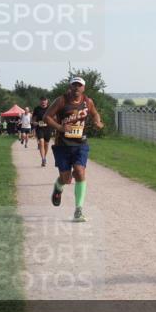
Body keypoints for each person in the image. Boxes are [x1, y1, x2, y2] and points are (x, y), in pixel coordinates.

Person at [43, 77, 104, 222]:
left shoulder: (88, 102)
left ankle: (78, 210)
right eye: (74, 85)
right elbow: (47, 117)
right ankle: (58, 187)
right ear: (70, 86)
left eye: (79, 85)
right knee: (66, 178)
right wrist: (60, 128)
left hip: (80, 143)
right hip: (62, 144)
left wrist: (97, 121)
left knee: (79, 171)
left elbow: (94, 113)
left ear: (84, 88)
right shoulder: (61, 101)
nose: (77, 87)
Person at [32, 97, 53, 167]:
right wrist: (35, 123)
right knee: (41, 142)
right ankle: (43, 159)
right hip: (39, 128)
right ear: (40, 102)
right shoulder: (37, 109)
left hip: (48, 128)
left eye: (45, 101)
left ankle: (44, 157)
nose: (43, 102)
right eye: (42, 101)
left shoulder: (50, 108)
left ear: (47, 101)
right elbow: (33, 120)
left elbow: (54, 117)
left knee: (46, 144)